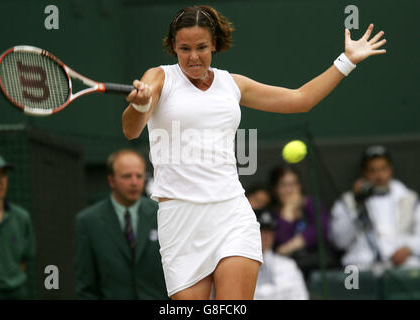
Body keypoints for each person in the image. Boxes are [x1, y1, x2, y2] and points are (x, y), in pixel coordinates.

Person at [121, 5, 386, 300]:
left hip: (230, 212)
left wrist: (346, 61)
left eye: (202, 47)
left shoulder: (232, 85)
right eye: (184, 48)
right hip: (180, 220)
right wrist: (140, 105)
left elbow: (301, 99)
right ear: (172, 46)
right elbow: (131, 130)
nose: (193, 57)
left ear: (215, 45)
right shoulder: (158, 78)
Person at [75, 149, 168, 299]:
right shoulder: (88, 221)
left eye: (139, 176)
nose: (134, 182)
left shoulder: (162, 213)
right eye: (127, 176)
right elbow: (86, 285)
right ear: (111, 181)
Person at [330, 145, 420, 269]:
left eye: (383, 169)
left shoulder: (410, 198)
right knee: (350, 283)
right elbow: (339, 242)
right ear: (364, 173)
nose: (379, 176)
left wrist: (409, 248)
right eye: (372, 170)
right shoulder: (347, 201)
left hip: (401, 264)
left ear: (390, 170)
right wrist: (358, 204)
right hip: (360, 265)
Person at [268, 165, 336, 279]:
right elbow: (278, 241)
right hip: (286, 274)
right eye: (283, 185)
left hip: (318, 269)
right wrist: (288, 212)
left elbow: (321, 230)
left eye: (294, 184)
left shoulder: (311, 205)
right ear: (275, 189)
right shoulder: (272, 214)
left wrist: (288, 248)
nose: (289, 190)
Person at [0, 151, 35, 300]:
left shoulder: (22, 218)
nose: (1, 182)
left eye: (4, 175)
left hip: (17, 293)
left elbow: (24, 260)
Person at [254, 210, 309, 300]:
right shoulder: (239, 264)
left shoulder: (288, 265)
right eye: (261, 230)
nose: (266, 236)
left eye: (269, 231)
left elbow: (301, 297)